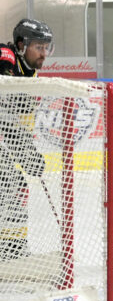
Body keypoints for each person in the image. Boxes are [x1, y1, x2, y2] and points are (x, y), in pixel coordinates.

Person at [0, 19, 53, 260]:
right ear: (21, 45)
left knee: (15, 183)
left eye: (46, 48)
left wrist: (26, 153)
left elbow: (9, 122)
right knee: (9, 181)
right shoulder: (8, 55)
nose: (44, 54)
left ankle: (11, 246)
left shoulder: (29, 75)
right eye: (38, 47)